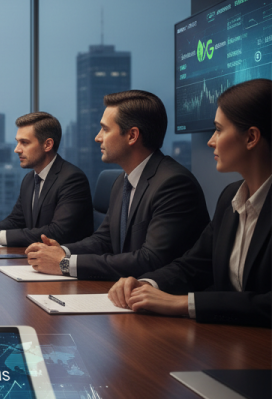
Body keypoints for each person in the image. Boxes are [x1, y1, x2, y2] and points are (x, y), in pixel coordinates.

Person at [108, 79, 271, 326]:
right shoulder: (230, 197)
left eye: (218, 130)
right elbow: (195, 265)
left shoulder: (176, 182)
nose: (211, 141)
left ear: (251, 137)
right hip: (229, 338)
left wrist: (183, 303)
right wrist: (146, 284)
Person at [26, 90, 209, 279]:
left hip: (162, 293)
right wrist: (62, 251)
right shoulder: (122, 181)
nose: (98, 137)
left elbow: (150, 260)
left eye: (105, 129)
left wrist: (64, 264)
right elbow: (105, 239)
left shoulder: (174, 185)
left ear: (132, 135)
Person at [0, 112, 93, 247]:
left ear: (47, 145)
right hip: (36, 255)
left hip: (65, 258)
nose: (17, 149)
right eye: (17, 142)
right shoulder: (29, 179)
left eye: (24, 142)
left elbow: (57, 232)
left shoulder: (72, 179)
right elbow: (16, 221)